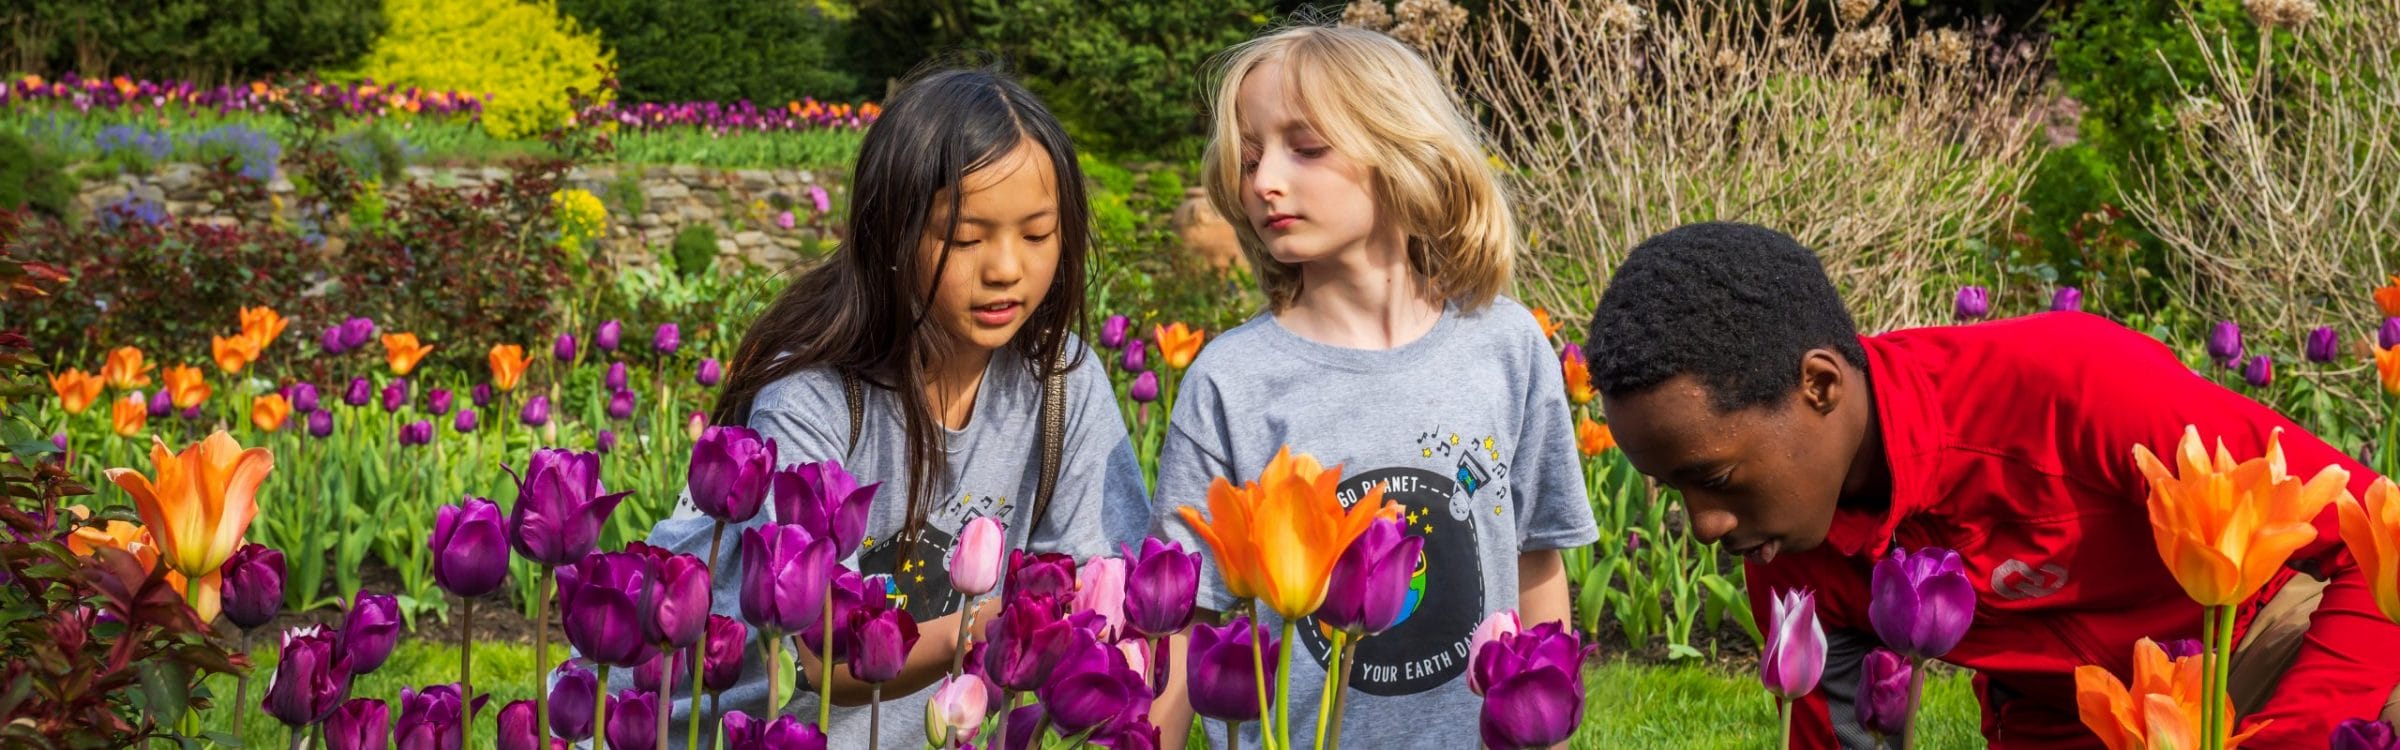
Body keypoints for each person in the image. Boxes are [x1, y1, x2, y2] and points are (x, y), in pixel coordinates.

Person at [1581, 220, 2400, 748]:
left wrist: (2291, 738)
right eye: (1673, 491)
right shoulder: (1791, 547)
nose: (1705, 526)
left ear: (1820, 386)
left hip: (2256, 653)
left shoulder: (2071, 389)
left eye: (1713, 478)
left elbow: (2375, 542)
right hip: (2068, 725)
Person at [627, 64, 1150, 750]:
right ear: (889, 237)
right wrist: (1009, 625)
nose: (1006, 267)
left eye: (1036, 233)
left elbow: (1119, 609)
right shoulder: (813, 398)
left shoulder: (1061, 384)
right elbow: (824, 659)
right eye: (965, 239)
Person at [1150, 24, 1599, 749]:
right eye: (1250, 155)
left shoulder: (1507, 346)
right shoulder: (1231, 381)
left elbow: (1536, 560)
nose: (1266, 180)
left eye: (1307, 147)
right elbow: (1184, 618)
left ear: (1402, 152)